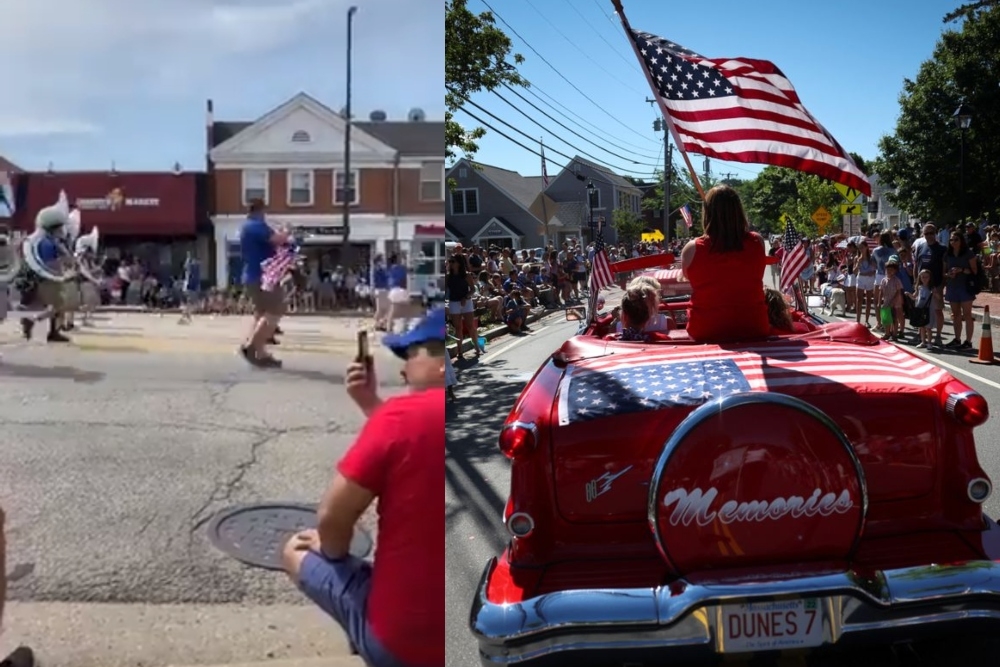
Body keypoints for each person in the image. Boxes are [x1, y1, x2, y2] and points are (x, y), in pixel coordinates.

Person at [281, 308, 445, 667]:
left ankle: (363, 642)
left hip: (404, 648)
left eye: (411, 355)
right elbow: (417, 442)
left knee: (297, 550)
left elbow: (331, 518)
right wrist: (371, 404)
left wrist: (333, 553)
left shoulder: (398, 417)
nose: (402, 370)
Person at [681, 184, 769, 342]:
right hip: (754, 326)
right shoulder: (758, 242)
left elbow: (688, 277)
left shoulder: (692, 248)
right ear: (738, 211)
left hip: (705, 330)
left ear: (707, 213)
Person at [238, 198, 290, 367]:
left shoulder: (246, 227)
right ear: (260, 210)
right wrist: (286, 231)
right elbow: (278, 240)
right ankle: (252, 347)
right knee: (276, 309)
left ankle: (258, 352)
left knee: (261, 313)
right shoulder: (257, 226)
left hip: (253, 276)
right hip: (264, 276)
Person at [20, 203, 73, 343]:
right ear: (53, 228)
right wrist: (62, 274)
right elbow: (52, 263)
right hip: (51, 280)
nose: (62, 230)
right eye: (60, 227)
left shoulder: (47, 241)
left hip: (48, 280)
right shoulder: (48, 243)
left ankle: (53, 332)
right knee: (56, 307)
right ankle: (32, 320)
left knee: (58, 307)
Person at [911, 224, 947, 347]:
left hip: (935, 285)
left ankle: (938, 336)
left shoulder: (942, 248)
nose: (929, 236)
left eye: (931, 233)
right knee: (921, 309)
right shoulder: (920, 246)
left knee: (937, 310)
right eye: (926, 233)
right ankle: (922, 337)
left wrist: (942, 285)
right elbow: (916, 265)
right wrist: (916, 282)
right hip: (922, 285)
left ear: (935, 233)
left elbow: (944, 268)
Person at [944, 231, 978, 350]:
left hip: (966, 287)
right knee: (956, 314)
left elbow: (974, 271)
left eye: (956, 239)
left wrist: (961, 270)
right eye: (951, 240)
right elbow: (943, 271)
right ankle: (957, 339)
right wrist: (949, 274)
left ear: (961, 240)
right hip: (952, 286)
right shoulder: (948, 254)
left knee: (967, 314)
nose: (953, 242)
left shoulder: (968, 253)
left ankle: (968, 341)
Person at [179, 251, 201, 325]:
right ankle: (185, 316)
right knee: (191, 302)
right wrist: (188, 258)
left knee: (191, 303)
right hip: (190, 286)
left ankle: (186, 315)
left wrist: (188, 258)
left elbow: (186, 267)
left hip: (191, 286)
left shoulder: (195, 267)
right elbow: (186, 267)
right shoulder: (192, 267)